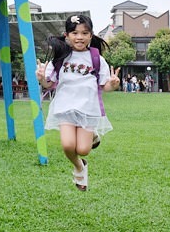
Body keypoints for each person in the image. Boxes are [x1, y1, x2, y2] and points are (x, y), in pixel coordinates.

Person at [36, 15, 120, 192]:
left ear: (91, 35)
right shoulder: (61, 57)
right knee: (67, 145)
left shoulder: (97, 59)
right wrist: (42, 79)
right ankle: (80, 168)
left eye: (84, 33)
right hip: (64, 107)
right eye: (74, 33)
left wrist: (112, 84)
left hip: (88, 109)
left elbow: (105, 87)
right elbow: (49, 84)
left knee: (83, 149)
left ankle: (89, 142)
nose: (79, 37)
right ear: (67, 35)